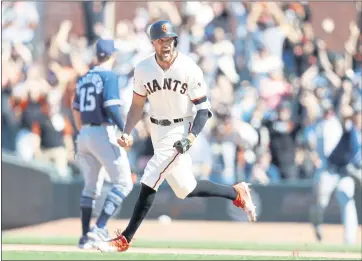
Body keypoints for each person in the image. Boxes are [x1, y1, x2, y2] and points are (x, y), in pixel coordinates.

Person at [98, 20, 256, 253]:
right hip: (156, 129)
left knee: (151, 176)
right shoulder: (143, 68)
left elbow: (203, 110)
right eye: (161, 40)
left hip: (181, 129)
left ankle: (125, 238)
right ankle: (236, 192)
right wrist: (126, 131)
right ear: (153, 43)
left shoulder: (189, 67)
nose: (167, 44)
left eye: (170, 39)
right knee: (185, 188)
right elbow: (136, 106)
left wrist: (190, 138)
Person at [72, 39, 133, 249]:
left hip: (84, 133)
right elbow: (112, 107)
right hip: (101, 131)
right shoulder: (109, 75)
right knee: (124, 182)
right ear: (112, 55)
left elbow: (75, 110)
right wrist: (125, 130)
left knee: (90, 188)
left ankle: (84, 237)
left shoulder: (83, 78)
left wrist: (81, 133)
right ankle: (99, 228)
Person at [309, 104, 361, 244]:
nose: (359, 117)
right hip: (329, 170)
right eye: (358, 114)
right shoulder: (345, 126)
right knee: (320, 204)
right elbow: (344, 117)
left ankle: (349, 241)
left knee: (347, 200)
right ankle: (317, 225)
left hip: (345, 173)